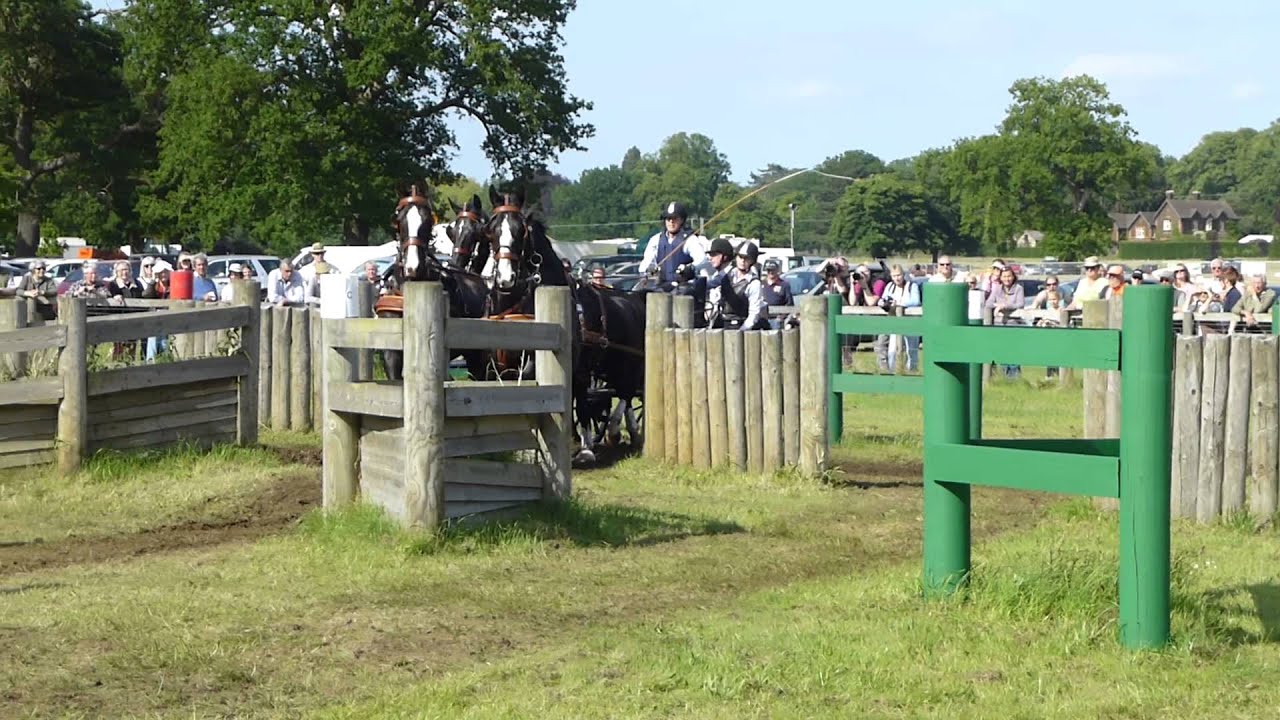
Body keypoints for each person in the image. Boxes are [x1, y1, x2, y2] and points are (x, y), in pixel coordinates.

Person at [637, 201, 708, 287]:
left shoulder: (690, 240)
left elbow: (702, 259)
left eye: (675, 218)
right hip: (662, 287)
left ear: (681, 220)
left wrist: (690, 267)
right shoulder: (656, 240)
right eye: (668, 219)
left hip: (685, 288)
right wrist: (647, 270)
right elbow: (647, 260)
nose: (671, 222)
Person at [877, 264, 922, 372]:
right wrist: (883, 303)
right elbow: (882, 299)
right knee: (893, 349)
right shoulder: (889, 287)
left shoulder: (912, 286)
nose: (897, 278)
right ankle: (894, 371)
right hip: (895, 321)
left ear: (903, 275)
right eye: (894, 276)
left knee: (911, 350)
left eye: (899, 275)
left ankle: (912, 371)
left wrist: (899, 304)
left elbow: (916, 301)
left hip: (911, 322)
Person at [715, 241, 768, 331]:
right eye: (740, 257)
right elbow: (712, 283)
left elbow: (753, 314)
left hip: (744, 325)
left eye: (746, 258)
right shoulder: (726, 274)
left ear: (752, 260)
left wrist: (742, 331)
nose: (742, 261)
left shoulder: (754, 283)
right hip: (724, 322)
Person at [760, 258, 794, 328]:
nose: (771, 272)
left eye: (773, 270)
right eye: (769, 270)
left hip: (777, 319)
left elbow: (789, 303)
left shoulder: (784, 285)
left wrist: (782, 317)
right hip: (763, 319)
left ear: (777, 270)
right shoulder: (761, 284)